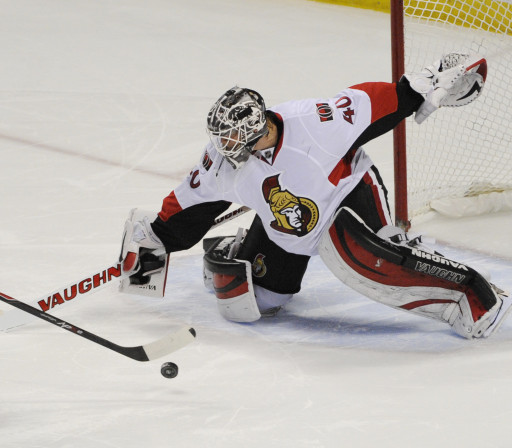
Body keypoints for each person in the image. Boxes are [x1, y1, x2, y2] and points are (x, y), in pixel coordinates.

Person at [118, 53, 511, 339]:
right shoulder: (223, 163)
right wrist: (152, 245)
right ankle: (230, 249)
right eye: (221, 138)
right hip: (288, 225)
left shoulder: (315, 122)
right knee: (254, 303)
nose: (225, 147)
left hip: (347, 195)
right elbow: (187, 205)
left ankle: (471, 297)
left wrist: (419, 87)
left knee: (367, 259)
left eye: (233, 138)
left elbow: (376, 104)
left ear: (259, 128)